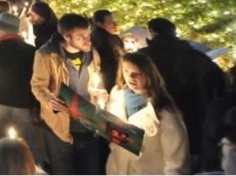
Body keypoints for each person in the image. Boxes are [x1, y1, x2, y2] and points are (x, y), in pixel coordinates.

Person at [141, 17, 226, 170]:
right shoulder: (195, 56)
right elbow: (220, 84)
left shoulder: (144, 57)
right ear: (173, 32)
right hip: (194, 118)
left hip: (156, 116)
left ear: (152, 32)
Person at [30, 13, 105, 175]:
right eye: (80, 37)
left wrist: (100, 93)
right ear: (66, 37)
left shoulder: (92, 54)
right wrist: (49, 99)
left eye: (88, 35)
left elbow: (96, 81)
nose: (87, 40)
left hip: (89, 125)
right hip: (61, 128)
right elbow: (38, 85)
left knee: (90, 170)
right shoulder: (46, 55)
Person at [105, 52, 190, 174]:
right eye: (126, 71)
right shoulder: (117, 96)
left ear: (149, 75)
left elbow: (176, 159)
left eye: (137, 73)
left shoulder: (164, 112)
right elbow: (110, 132)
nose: (131, 77)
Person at [0, 12, 39, 160]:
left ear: (3, 30)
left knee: (1, 138)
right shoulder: (31, 51)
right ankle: (31, 165)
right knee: (26, 141)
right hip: (22, 103)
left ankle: (4, 164)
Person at [90, 9, 124, 93]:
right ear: (99, 23)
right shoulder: (102, 40)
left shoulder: (108, 37)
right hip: (111, 80)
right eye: (110, 22)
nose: (115, 24)